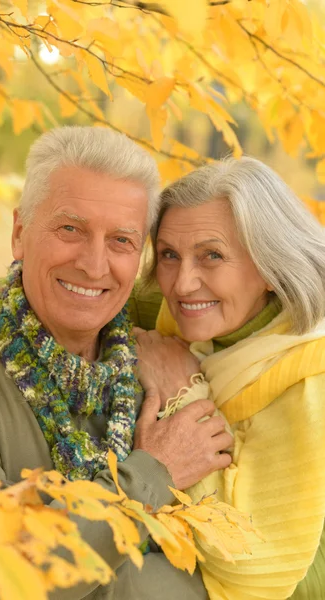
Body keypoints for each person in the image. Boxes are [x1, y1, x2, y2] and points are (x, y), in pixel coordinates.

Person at [0, 126, 233, 600]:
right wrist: (153, 472)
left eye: (122, 241)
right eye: (70, 229)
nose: (94, 265)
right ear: (20, 234)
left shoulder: (173, 354)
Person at [134, 156, 325, 599]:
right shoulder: (181, 313)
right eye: (168, 255)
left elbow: (255, 571)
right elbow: (64, 291)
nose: (182, 284)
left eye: (212, 256)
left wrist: (183, 386)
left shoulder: (309, 374)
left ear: (269, 267)